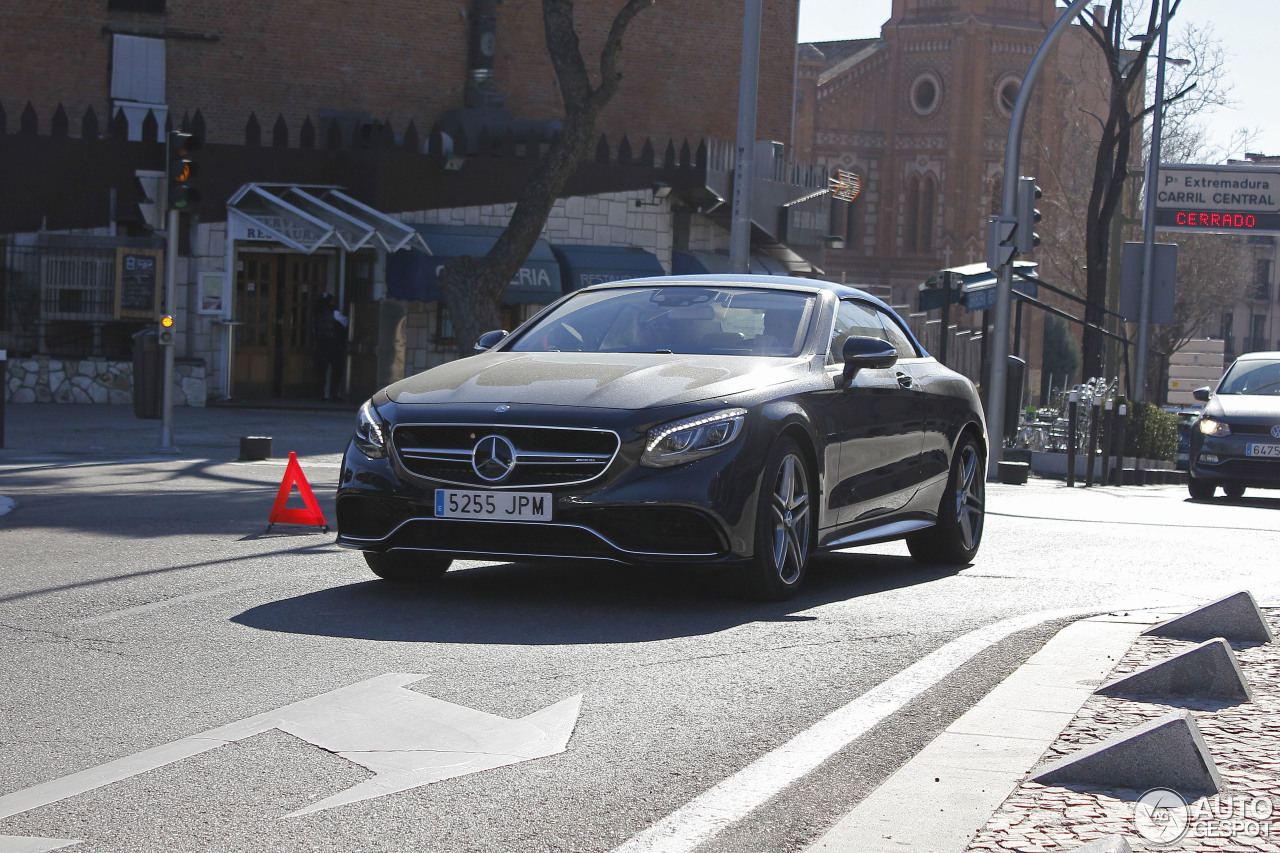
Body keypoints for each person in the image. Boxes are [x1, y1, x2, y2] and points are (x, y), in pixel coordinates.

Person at [312, 293, 348, 401]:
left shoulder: (316, 313)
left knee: (321, 371)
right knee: (336, 370)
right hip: (333, 344)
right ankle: (334, 394)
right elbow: (346, 323)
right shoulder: (334, 312)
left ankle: (320, 394)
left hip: (320, 345)